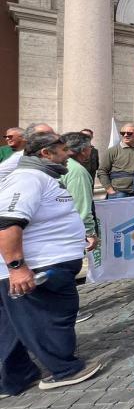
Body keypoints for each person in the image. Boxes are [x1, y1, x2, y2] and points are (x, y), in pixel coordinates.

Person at [0, 132, 103, 395]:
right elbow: (7, 223)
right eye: (63, 148)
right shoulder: (27, 178)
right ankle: (64, 369)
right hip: (36, 268)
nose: (69, 153)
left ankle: (17, 376)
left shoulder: (41, 176)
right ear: (46, 153)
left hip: (42, 265)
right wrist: (17, 268)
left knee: (15, 325)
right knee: (47, 319)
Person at [59, 132, 99, 324]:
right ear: (83, 150)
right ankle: (67, 312)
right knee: (66, 272)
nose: (91, 150)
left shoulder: (61, 166)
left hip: (56, 229)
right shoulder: (76, 171)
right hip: (67, 232)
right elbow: (81, 206)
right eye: (90, 147)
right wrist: (90, 233)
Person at [97, 124, 134, 198]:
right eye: (122, 133)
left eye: (129, 133)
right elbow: (102, 171)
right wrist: (109, 189)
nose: (125, 135)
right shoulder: (112, 151)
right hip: (118, 193)